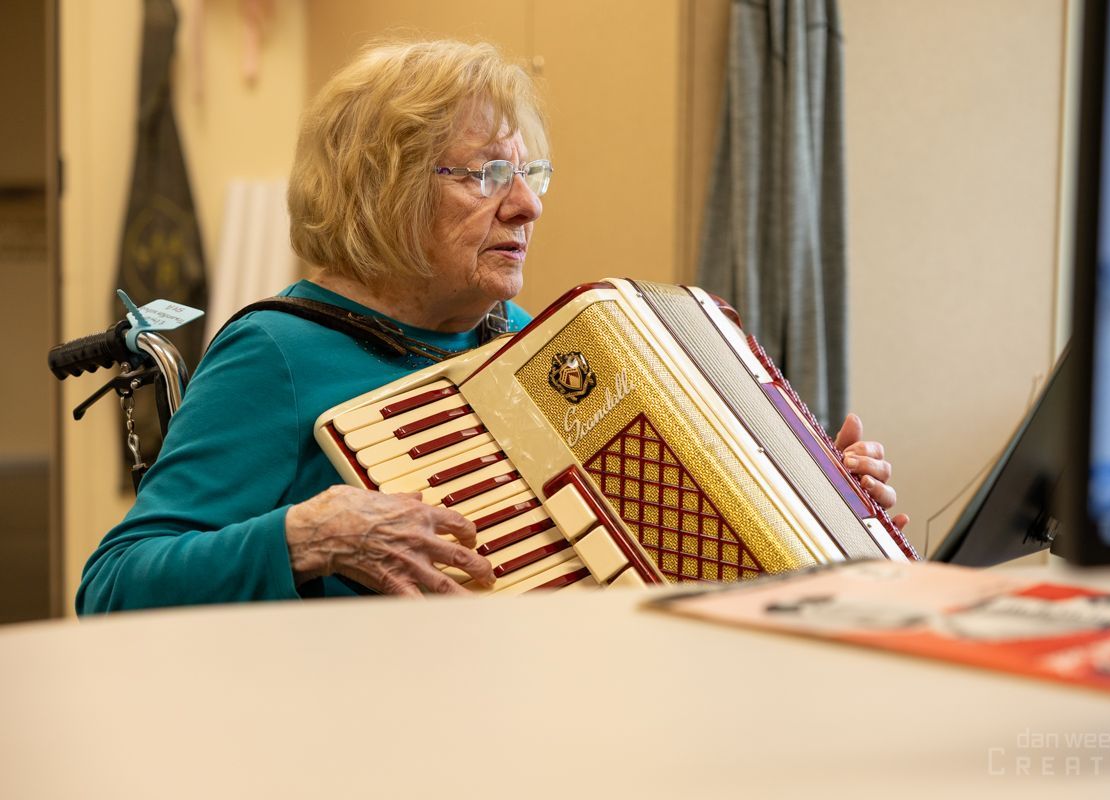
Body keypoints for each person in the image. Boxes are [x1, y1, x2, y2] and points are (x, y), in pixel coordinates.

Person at [77, 39, 907, 614]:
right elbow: (112, 585)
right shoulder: (279, 352)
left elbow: (641, 544)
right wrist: (306, 535)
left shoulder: (530, 340)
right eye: (488, 174)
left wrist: (812, 503)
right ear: (381, 187)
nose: (529, 203)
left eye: (531, 171)